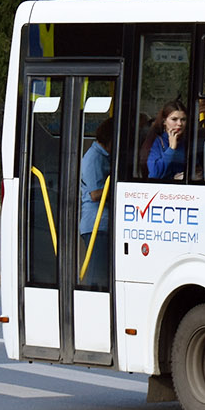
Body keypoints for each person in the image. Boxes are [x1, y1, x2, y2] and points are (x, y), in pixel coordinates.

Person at [79, 117, 115, 288]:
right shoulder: (94, 158)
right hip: (96, 224)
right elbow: (95, 194)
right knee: (97, 277)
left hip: (103, 222)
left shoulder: (105, 156)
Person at [141, 100, 188, 180]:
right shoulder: (156, 142)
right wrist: (171, 149)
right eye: (174, 119)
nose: (179, 123)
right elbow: (154, 174)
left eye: (183, 119)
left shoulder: (187, 142)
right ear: (164, 121)